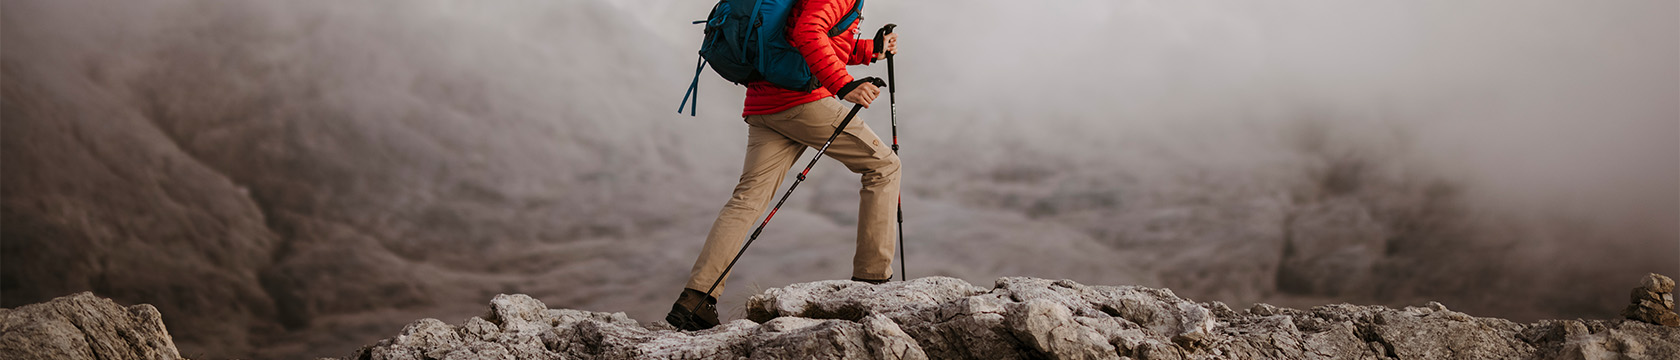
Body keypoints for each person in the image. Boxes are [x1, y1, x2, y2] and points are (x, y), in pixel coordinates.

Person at [666, 0, 900, 332]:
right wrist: (845, 85)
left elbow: (799, 40)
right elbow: (808, 31)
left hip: (765, 106)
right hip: (801, 103)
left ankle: (696, 298)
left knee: (746, 200)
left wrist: (869, 50)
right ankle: (872, 282)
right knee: (884, 167)